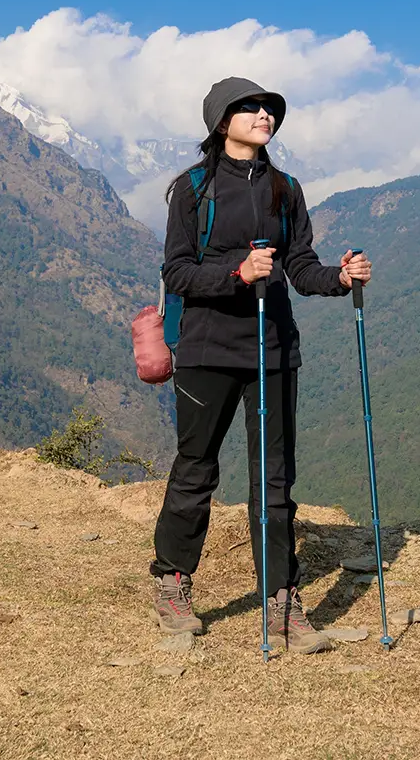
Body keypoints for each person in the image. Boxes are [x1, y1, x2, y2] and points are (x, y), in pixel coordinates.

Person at [151, 76, 372, 654]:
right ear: (221, 121)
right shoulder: (193, 189)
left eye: (266, 108)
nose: (262, 115)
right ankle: (172, 582)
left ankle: (281, 600)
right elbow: (175, 272)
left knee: (274, 479)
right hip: (205, 349)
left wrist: (339, 278)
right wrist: (235, 274)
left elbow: (301, 266)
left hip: (273, 348)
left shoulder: (285, 188)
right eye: (248, 108)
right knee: (196, 466)